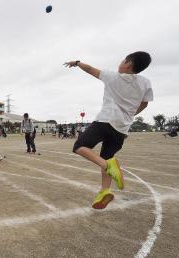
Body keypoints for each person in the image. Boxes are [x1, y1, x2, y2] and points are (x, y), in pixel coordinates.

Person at [65, 51, 153, 209]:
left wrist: (77, 63)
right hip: (122, 128)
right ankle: (105, 191)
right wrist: (130, 115)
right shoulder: (145, 83)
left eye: (123, 60)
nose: (120, 62)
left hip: (106, 120)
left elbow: (91, 69)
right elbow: (145, 103)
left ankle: (108, 167)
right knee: (107, 156)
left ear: (128, 64)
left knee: (80, 146)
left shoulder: (113, 77)